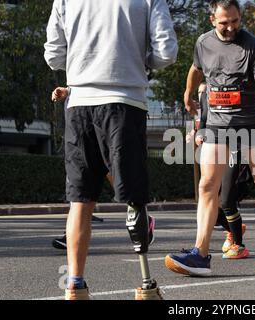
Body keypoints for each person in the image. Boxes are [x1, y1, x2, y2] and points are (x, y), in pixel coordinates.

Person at [44, 0, 177, 300]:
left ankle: (75, 284)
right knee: (134, 196)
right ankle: (146, 285)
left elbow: (54, 55)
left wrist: (82, 62)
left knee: (80, 200)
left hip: (78, 102)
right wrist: (136, 59)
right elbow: (166, 53)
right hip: (125, 100)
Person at [165, 0, 255, 276]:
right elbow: (195, 68)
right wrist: (188, 93)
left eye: (235, 21)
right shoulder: (203, 43)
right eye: (224, 22)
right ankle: (201, 253)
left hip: (252, 124)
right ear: (212, 20)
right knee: (207, 184)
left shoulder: (252, 46)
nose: (230, 27)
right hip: (217, 125)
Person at [195, 83, 250, 259]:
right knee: (209, 200)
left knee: (226, 200)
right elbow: (203, 120)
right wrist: (198, 134)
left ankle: (239, 245)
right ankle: (233, 229)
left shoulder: (234, 89)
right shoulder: (206, 94)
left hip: (236, 147)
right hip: (214, 148)